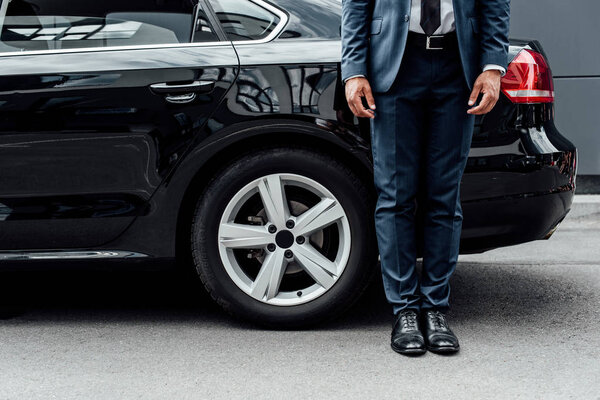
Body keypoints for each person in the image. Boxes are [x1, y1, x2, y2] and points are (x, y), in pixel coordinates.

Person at [341, 0, 510, 355]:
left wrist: (493, 66)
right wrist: (353, 70)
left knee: (444, 196)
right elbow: (355, 5)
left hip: (457, 66)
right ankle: (404, 309)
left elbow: (495, 4)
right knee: (395, 195)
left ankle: (435, 308)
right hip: (395, 65)